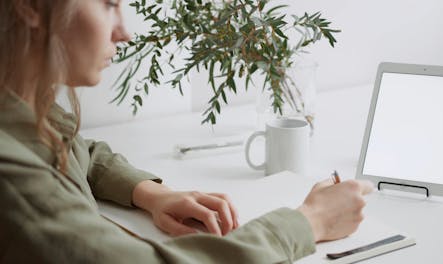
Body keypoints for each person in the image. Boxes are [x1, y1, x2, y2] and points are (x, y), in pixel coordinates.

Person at [0, 0, 373, 263]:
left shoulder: (22, 105)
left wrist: (153, 194)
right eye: (108, 3)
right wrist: (310, 222)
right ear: (30, 6)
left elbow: (82, 151)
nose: (124, 33)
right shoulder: (12, 177)